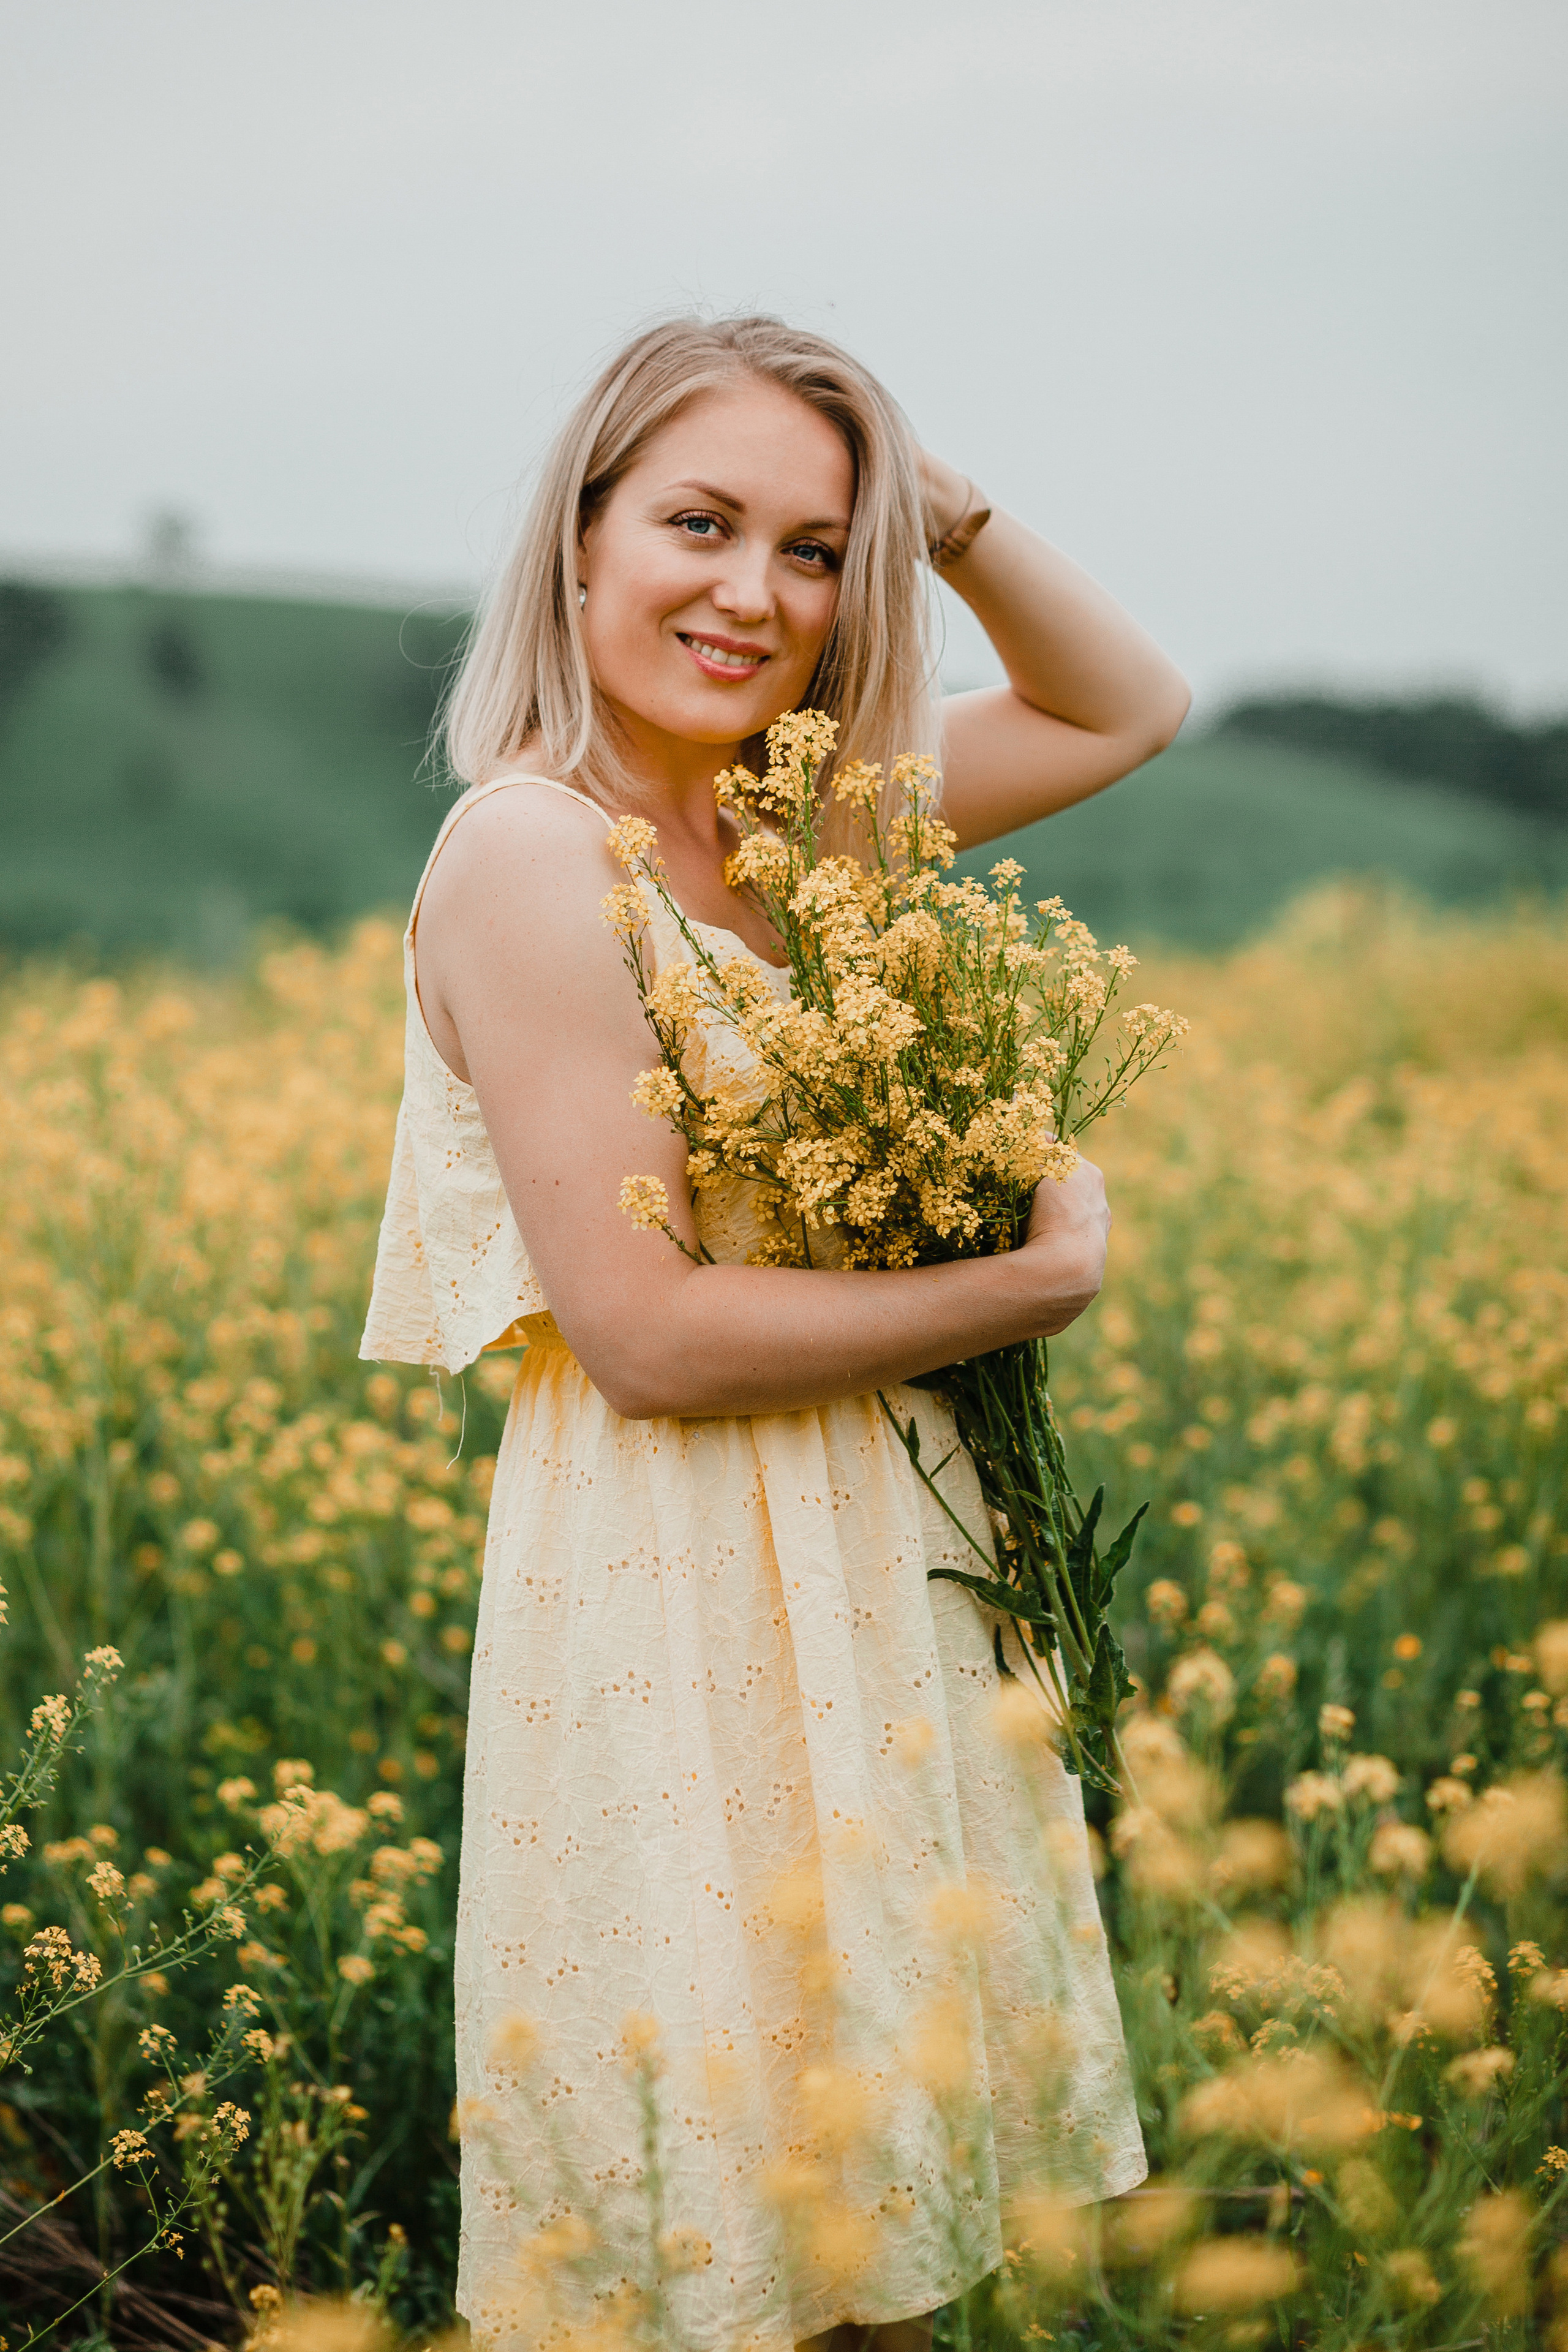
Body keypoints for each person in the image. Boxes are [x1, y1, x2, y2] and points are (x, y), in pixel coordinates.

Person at [361, 314, 1189, 2352]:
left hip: (870, 1564)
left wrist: (949, 507)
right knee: (723, 2230)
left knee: (879, 2241)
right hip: (679, 1586)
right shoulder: (533, 852)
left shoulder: (798, 829)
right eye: (700, 523)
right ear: (580, 542)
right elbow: (641, 1333)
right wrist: (1028, 1287)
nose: (755, 592)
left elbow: (1126, 703)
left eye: (818, 549)